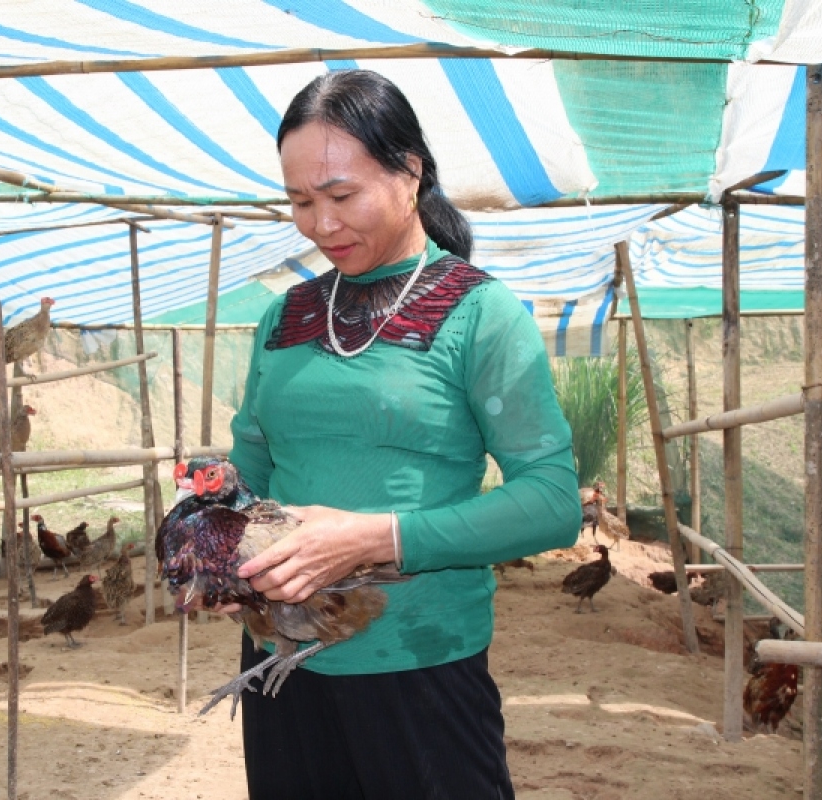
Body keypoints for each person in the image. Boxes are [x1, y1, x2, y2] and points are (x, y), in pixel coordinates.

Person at [222, 70, 581, 799]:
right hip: (281, 668)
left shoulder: (480, 313)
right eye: (299, 202)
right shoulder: (283, 318)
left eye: (342, 196)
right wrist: (223, 549)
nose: (320, 225)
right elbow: (248, 473)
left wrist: (374, 538)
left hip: (418, 671)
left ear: (409, 172)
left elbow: (551, 502)